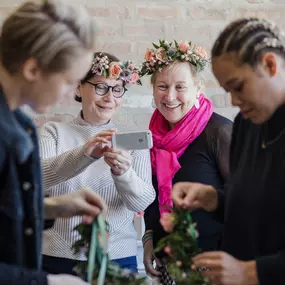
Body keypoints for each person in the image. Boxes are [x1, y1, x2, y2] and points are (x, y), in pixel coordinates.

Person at [0, 1, 107, 285]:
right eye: (70, 81)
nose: (72, 92)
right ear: (33, 69)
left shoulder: (20, 124)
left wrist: (49, 207)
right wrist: (46, 283)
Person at [172, 18, 285, 285]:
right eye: (227, 91)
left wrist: (253, 273)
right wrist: (215, 199)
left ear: (270, 65)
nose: (233, 101)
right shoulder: (247, 125)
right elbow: (259, 211)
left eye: (238, 86)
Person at [39, 52, 155, 275]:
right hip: (56, 258)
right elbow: (39, 179)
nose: (110, 97)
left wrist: (123, 173)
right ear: (78, 88)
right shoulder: (52, 133)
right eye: (100, 87)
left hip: (118, 260)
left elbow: (141, 203)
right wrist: (85, 153)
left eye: (117, 88)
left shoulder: (132, 143)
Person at [139, 40, 233, 284]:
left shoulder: (219, 132)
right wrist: (148, 237)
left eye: (180, 86)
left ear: (198, 87)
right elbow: (152, 195)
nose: (170, 97)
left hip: (214, 266)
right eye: (162, 86)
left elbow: (246, 198)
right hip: (168, 266)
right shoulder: (153, 137)